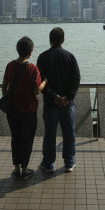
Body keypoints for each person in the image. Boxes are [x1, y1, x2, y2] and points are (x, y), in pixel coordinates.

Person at [37, 27, 81, 173]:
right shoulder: (70, 56)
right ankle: (69, 162)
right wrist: (68, 97)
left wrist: (54, 96)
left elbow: (40, 82)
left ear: (50, 40)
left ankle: (48, 163)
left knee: (50, 133)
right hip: (68, 104)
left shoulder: (42, 57)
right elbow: (76, 79)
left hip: (51, 103)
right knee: (69, 132)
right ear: (63, 40)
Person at [2, 36, 46, 180]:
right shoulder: (32, 68)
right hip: (28, 110)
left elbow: (4, 85)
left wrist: (8, 97)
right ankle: (25, 170)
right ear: (30, 52)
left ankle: (16, 169)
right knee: (26, 139)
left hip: (13, 109)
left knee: (16, 138)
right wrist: (45, 81)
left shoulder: (10, 65)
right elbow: (36, 90)